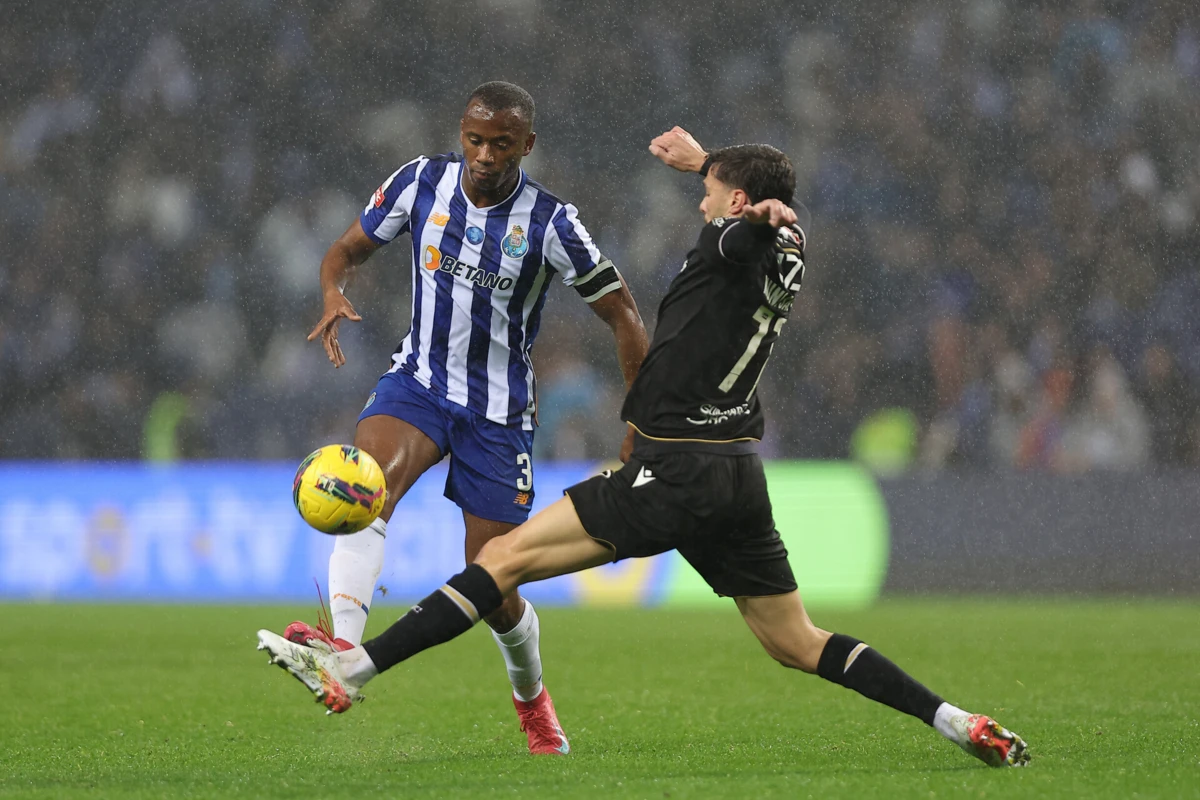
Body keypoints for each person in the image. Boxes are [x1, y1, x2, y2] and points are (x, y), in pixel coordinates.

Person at [259, 127, 1030, 768]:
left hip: (675, 470)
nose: (699, 199)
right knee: (797, 642)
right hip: (734, 473)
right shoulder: (788, 256)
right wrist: (729, 180)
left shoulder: (737, 238)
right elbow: (761, 219)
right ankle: (957, 721)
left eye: (708, 191)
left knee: (498, 565)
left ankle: (354, 668)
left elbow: (742, 226)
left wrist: (758, 213)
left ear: (736, 205)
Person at [286, 81, 649, 755]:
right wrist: (333, 290)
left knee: (496, 581)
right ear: (461, 135)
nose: (484, 155)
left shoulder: (551, 223)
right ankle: (340, 654)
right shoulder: (421, 183)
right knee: (362, 490)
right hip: (417, 385)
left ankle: (534, 703)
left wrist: (642, 413)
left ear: (527, 146)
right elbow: (345, 251)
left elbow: (623, 314)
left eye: (502, 144)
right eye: (474, 140)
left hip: (499, 415)